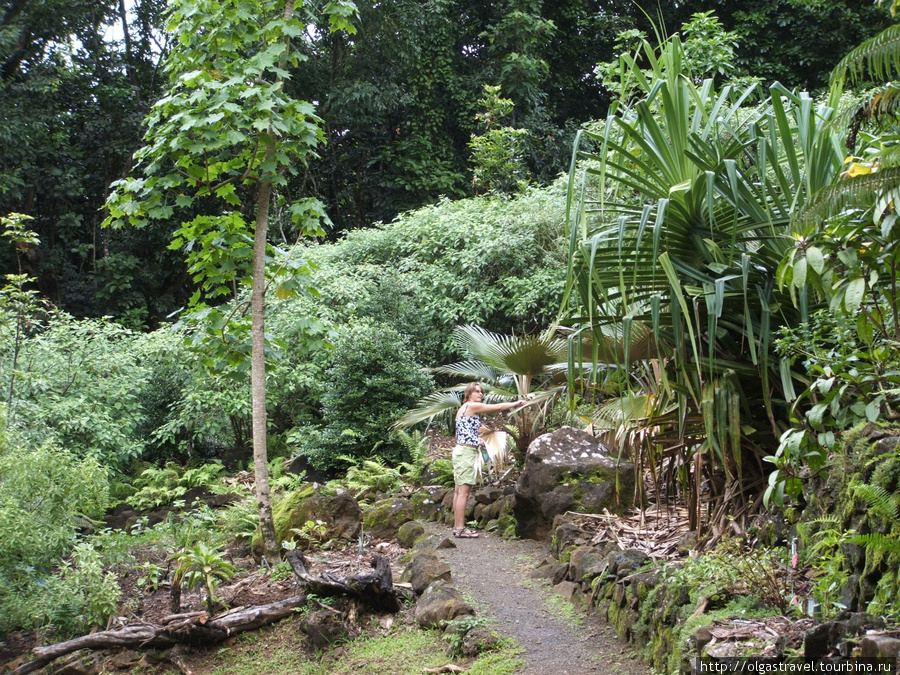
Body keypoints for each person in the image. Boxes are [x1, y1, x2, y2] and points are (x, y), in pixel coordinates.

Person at [452, 382, 526, 538]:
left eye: (481, 392)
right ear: (469, 394)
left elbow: (463, 432)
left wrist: (475, 439)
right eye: (477, 391)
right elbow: (498, 407)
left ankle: (457, 527)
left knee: (458, 491)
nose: (480, 394)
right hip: (465, 453)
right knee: (464, 493)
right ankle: (460, 528)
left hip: (461, 450)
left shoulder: (463, 409)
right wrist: (516, 403)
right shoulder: (472, 406)